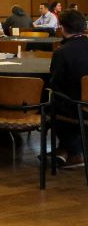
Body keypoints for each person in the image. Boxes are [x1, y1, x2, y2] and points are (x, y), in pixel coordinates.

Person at [49, 9, 88, 169]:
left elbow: (55, 83)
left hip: (76, 106)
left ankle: (74, 151)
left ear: (62, 28)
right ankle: (64, 151)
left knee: (50, 103)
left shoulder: (62, 52)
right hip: (84, 103)